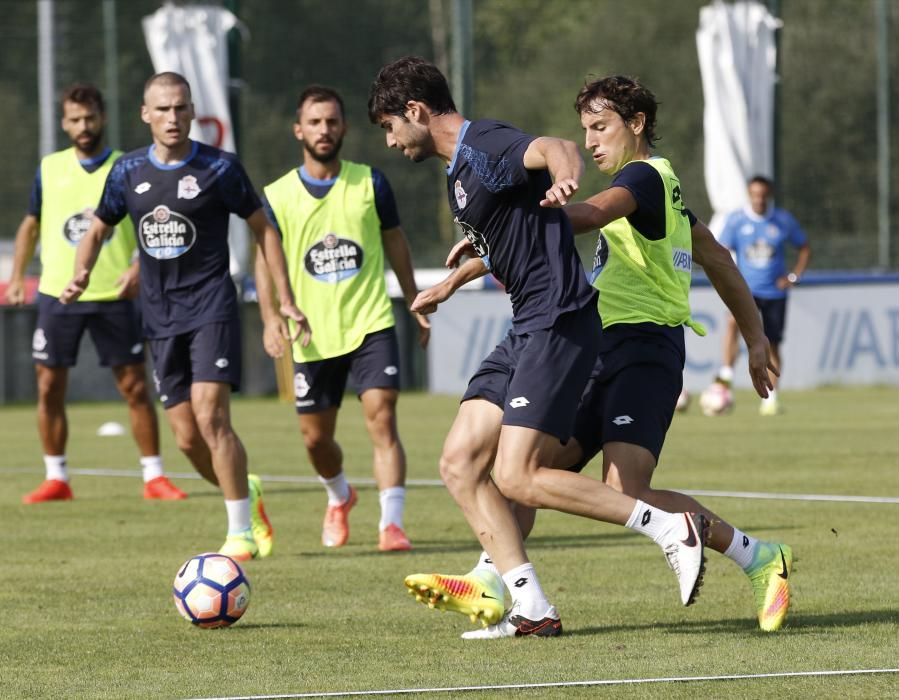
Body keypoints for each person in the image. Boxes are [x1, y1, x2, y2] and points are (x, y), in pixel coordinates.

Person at [409, 75, 795, 635]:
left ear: (636, 125)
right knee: (533, 472)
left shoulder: (643, 177)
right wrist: (755, 337)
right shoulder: (662, 193)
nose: (590, 141)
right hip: (597, 345)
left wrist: (500, 223)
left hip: (643, 349)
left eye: (600, 127)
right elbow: (718, 258)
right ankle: (499, 584)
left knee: (622, 490)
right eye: (584, 130)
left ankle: (760, 557)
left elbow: (585, 216)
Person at [369, 57, 711, 639]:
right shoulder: (458, 172)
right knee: (458, 463)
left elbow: (552, 147)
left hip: (557, 321)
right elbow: (517, 234)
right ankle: (529, 606)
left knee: (519, 476)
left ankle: (667, 527)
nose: (392, 141)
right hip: (526, 326)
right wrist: (454, 279)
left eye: (389, 126)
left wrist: (563, 173)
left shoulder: (484, 142)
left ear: (416, 111)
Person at [60, 72, 311, 561]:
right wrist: (81, 273)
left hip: (212, 306)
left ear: (192, 111)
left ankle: (238, 531)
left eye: (181, 108)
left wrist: (283, 300)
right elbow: (96, 229)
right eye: (163, 109)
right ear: (144, 114)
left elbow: (265, 230)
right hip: (159, 315)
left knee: (211, 414)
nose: (173, 118)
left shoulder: (220, 168)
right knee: (186, 439)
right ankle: (246, 490)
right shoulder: (127, 171)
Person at [255, 85, 430, 552]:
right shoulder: (278, 195)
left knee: (382, 415)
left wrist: (414, 299)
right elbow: (264, 257)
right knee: (315, 440)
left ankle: (391, 524)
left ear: (344, 127)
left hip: (370, 321)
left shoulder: (370, 183)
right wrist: (270, 316)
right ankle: (340, 496)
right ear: (299, 130)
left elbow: (395, 242)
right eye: (315, 122)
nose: (324, 129)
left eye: (332, 121)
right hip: (310, 333)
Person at [6, 83, 186, 504]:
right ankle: (57, 477)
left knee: (135, 387)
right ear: (65, 123)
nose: (83, 126)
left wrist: (139, 265)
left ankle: (154, 476)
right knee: (48, 386)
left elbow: (154, 225)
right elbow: (30, 225)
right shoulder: (49, 168)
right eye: (75, 119)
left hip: (114, 293)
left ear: (102, 118)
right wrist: (17, 276)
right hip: (58, 293)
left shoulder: (130, 166)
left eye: (90, 118)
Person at [710, 175, 810, 415]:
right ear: (749, 194)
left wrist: (793, 277)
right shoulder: (736, 221)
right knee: (733, 322)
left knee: (772, 346)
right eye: (755, 194)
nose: (759, 199)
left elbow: (804, 248)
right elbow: (720, 252)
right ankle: (726, 377)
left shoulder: (782, 221)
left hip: (775, 293)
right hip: (747, 290)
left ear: (769, 195)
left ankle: (770, 398)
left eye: (763, 195)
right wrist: (730, 281)